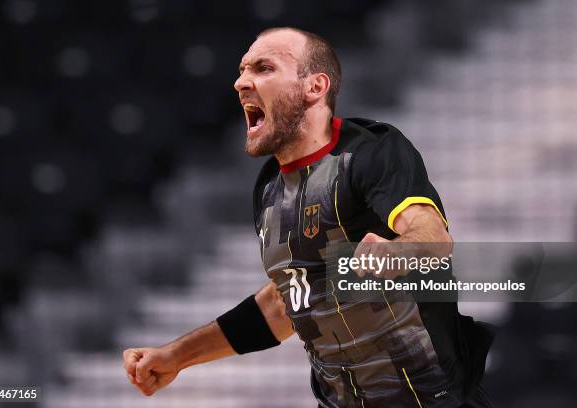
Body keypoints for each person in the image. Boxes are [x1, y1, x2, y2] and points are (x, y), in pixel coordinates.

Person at [123, 27, 493, 407]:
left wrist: (398, 251)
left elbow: (433, 237)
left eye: (263, 68)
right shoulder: (269, 188)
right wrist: (176, 357)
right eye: (242, 70)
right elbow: (285, 303)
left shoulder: (370, 153)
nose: (240, 83)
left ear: (314, 87)